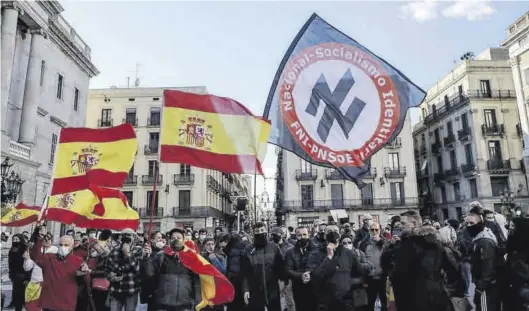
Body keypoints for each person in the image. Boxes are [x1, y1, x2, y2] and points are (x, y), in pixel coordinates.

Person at [389, 210, 455, 311]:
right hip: (435, 297)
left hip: (417, 299)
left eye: (403, 223)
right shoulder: (436, 242)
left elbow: (399, 276)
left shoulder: (407, 246)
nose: (400, 227)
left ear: (414, 224)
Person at [308, 223, 371, 311]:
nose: (333, 233)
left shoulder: (348, 253)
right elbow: (317, 275)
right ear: (325, 235)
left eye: (336, 231)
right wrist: (329, 256)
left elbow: (358, 271)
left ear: (339, 235)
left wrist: (350, 282)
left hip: (346, 300)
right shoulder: (316, 254)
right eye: (329, 231)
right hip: (325, 301)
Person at [31, 226, 90, 311]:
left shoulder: (78, 261)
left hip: (66, 303)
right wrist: (40, 238)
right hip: (49, 303)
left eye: (66, 245)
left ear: (72, 246)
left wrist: (85, 272)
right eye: (61, 244)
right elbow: (35, 256)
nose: (63, 247)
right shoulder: (49, 258)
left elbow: (85, 281)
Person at [143, 228, 201, 311]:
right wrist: (147, 258)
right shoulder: (161, 256)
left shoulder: (191, 257)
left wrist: (197, 299)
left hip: (184, 304)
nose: (176, 240)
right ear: (169, 240)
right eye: (173, 238)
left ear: (184, 240)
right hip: (164, 304)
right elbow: (150, 274)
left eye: (179, 238)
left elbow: (196, 281)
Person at [242, 222, 286, 311]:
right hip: (255, 288)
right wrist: (245, 289)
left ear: (266, 231)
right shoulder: (248, 250)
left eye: (262, 230)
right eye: (257, 231)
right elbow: (244, 272)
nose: (260, 233)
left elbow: (280, 267)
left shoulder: (274, 247)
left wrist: (282, 283)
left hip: (272, 288)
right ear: (253, 233)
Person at [466, 205, 500, 311]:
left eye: (471, 223)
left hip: (486, 287)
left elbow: (488, 267)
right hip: (484, 285)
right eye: (467, 223)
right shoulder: (480, 238)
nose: (468, 226)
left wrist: (480, 288)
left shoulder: (484, 240)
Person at [105, 229, 143, 311]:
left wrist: (128, 254)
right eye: (124, 236)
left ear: (134, 238)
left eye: (129, 236)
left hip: (131, 290)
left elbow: (138, 270)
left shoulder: (139, 250)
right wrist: (111, 276)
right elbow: (107, 269)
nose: (126, 239)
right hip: (116, 290)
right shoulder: (114, 251)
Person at [285, 227, 317, 311]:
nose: (302, 237)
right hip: (298, 287)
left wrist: (310, 275)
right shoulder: (290, 252)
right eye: (299, 235)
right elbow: (288, 269)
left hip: (315, 286)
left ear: (308, 235)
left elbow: (321, 266)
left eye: (304, 234)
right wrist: (301, 276)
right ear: (295, 236)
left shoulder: (317, 249)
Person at [360, 221, 387, 311]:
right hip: (370, 277)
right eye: (372, 230)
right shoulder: (364, 243)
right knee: (370, 302)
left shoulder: (384, 242)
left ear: (380, 231)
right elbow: (361, 260)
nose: (374, 232)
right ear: (369, 231)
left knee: (384, 302)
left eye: (376, 230)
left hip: (383, 277)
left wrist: (381, 242)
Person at [219, 233, 247, 311]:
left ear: (227, 242)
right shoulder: (237, 251)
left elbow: (234, 271)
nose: (221, 249)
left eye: (222, 246)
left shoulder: (233, 253)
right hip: (239, 286)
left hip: (236, 285)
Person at [8, 234, 30, 311]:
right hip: (14, 275)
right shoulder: (12, 249)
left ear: (21, 240)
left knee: (21, 295)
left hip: (22, 275)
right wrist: (10, 274)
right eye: (14, 239)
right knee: (17, 294)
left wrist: (27, 277)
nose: (15, 241)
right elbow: (10, 262)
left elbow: (27, 263)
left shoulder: (24, 249)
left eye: (17, 239)